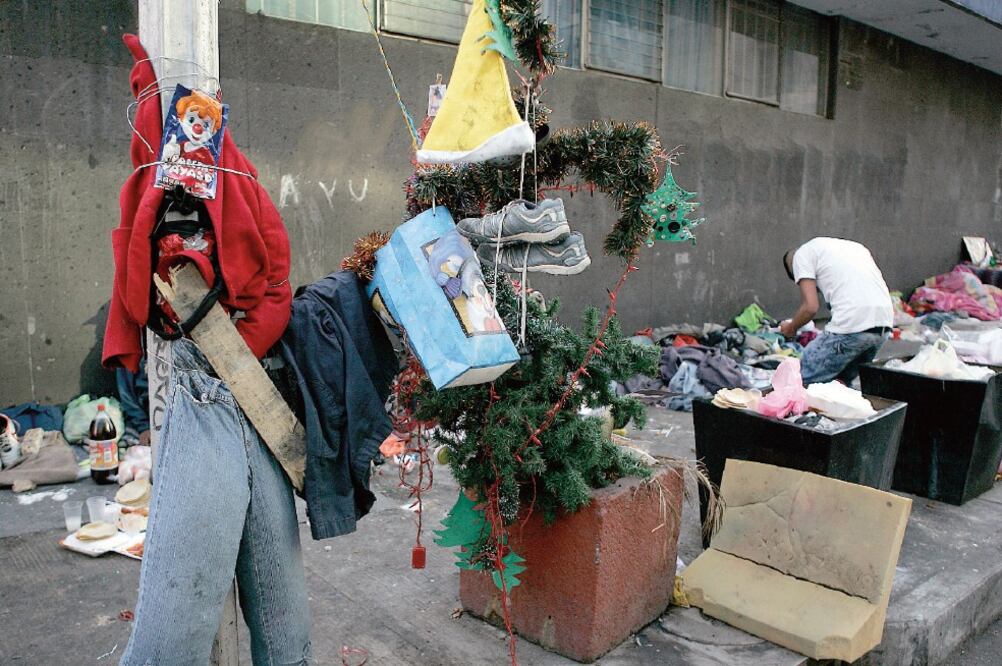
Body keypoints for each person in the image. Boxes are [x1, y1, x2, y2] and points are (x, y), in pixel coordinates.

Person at [780, 238, 893, 385]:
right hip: (883, 324)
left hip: (852, 325)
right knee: (840, 386)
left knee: (800, 380)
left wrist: (791, 327)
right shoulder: (854, 248)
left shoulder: (800, 256)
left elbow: (810, 307)